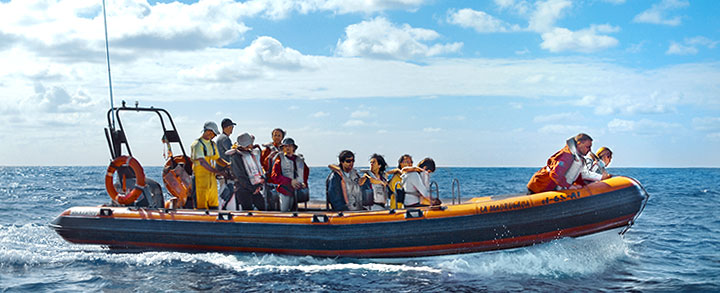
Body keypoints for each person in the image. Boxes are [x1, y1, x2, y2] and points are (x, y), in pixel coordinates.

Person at [527, 133, 610, 194]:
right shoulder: (567, 156)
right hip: (539, 186)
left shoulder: (578, 159)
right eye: (587, 147)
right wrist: (569, 186)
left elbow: (578, 175)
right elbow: (555, 174)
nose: (590, 150)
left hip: (549, 188)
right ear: (579, 144)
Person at [190, 121, 229, 209]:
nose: (215, 136)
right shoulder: (197, 145)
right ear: (208, 131)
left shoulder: (212, 144)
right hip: (199, 180)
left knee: (214, 204)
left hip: (211, 180)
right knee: (201, 205)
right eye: (214, 134)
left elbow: (217, 159)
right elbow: (202, 162)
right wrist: (218, 172)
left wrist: (228, 165)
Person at [225, 133, 266, 211]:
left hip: (253, 187)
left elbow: (257, 169)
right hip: (243, 189)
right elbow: (240, 175)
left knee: (262, 206)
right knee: (247, 209)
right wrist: (252, 188)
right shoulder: (236, 156)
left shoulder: (249, 153)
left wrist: (258, 185)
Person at [269, 137, 309, 212]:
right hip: (284, 191)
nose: (288, 148)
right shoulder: (279, 161)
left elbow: (305, 172)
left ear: (293, 148)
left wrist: (304, 183)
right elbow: (274, 176)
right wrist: (290, 181)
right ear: (283, 148)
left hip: (297, 190)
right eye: (286, 146)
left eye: (290, 146)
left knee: (295, 211)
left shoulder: (299, 160)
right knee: (284, 210)